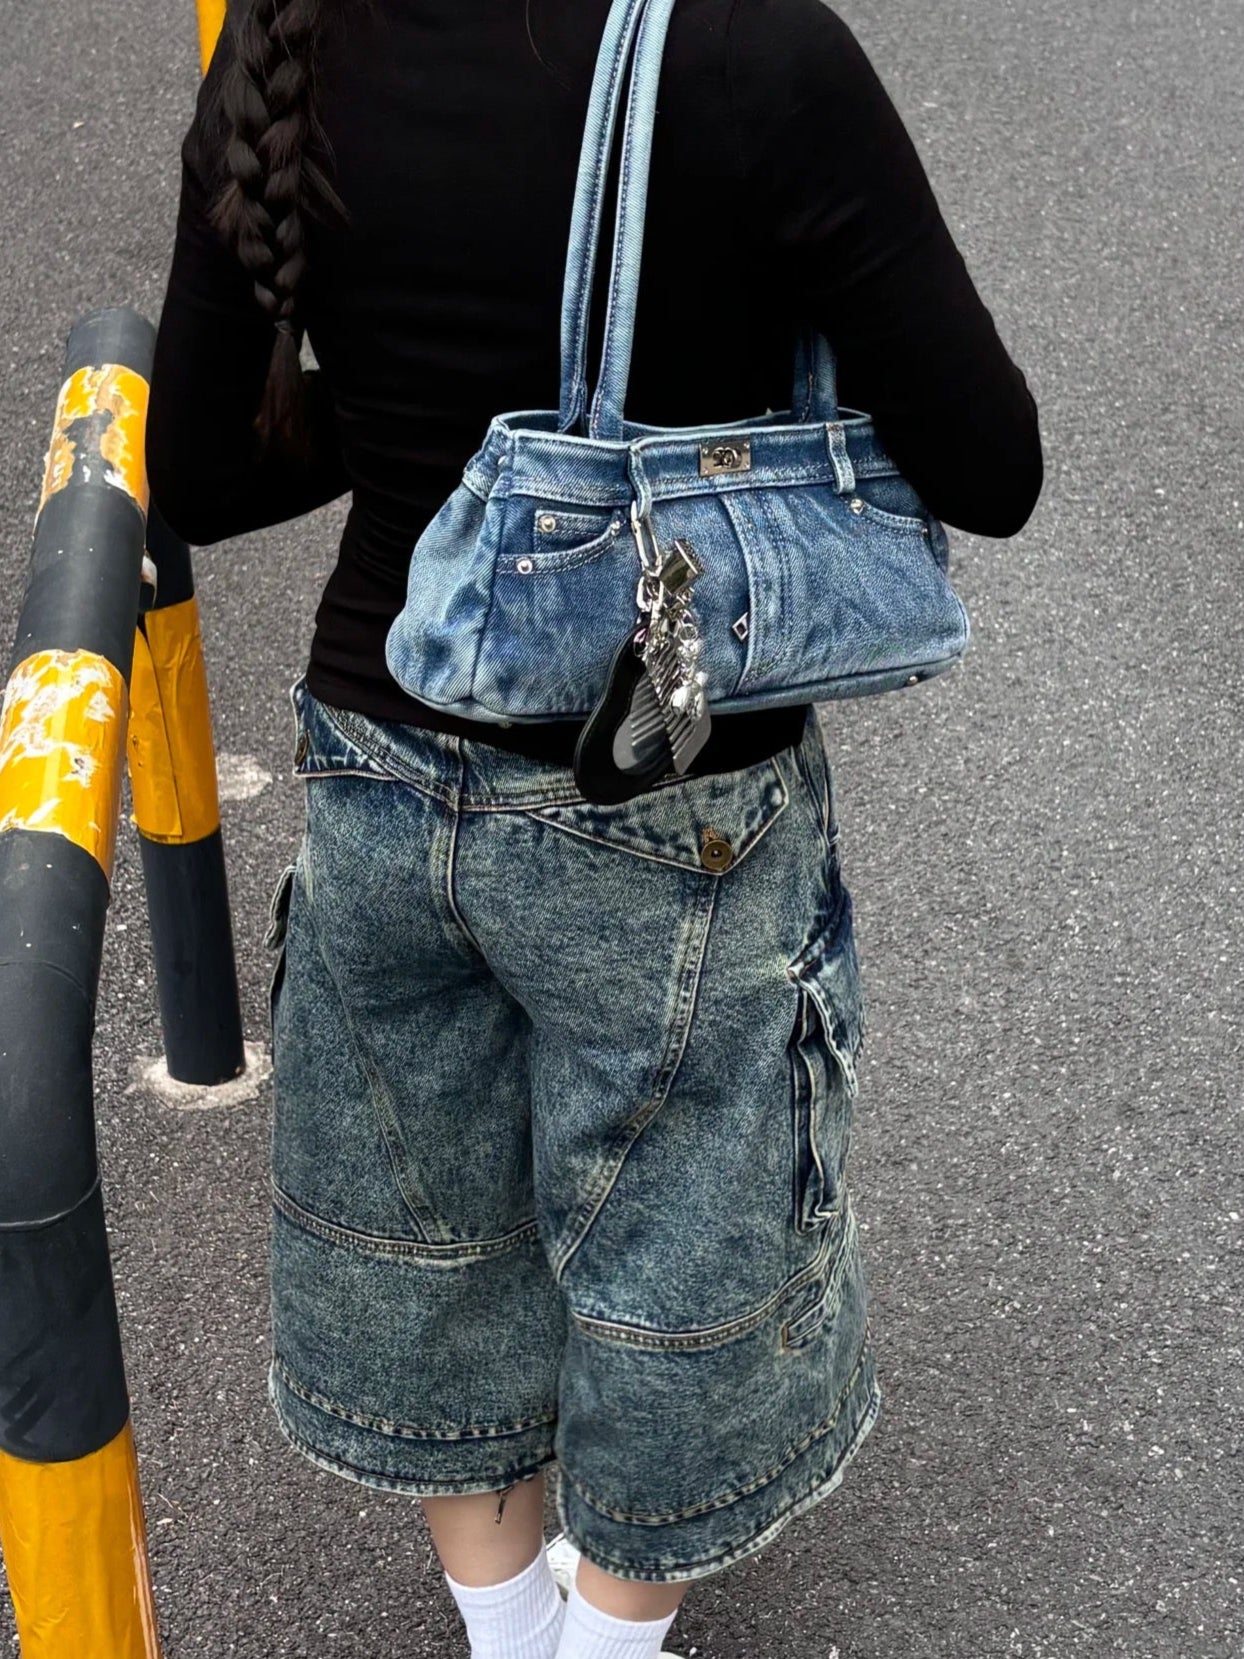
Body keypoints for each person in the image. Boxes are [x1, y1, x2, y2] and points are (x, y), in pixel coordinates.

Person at [147, 2, 1043, 1655]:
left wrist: (455, 428)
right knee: (685, 1255)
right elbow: (991, 463)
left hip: (379, 761)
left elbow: (196, 466)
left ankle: (505, 1633)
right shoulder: (751, 52)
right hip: (674, 785)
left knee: (435, 1252)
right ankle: (607, 1640)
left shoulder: (292, 34)